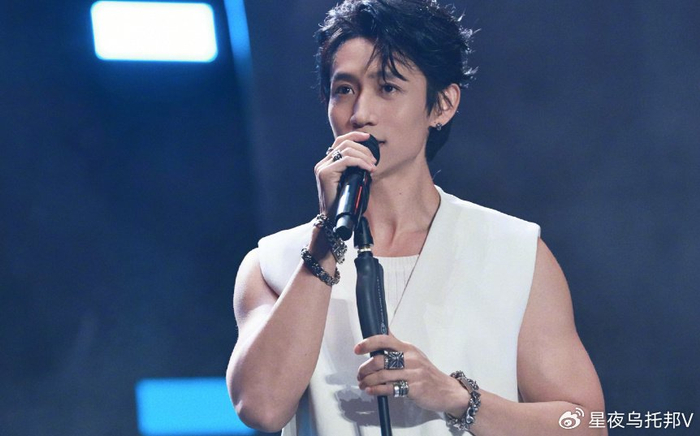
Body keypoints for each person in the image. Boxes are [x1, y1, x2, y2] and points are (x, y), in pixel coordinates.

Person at [226, 0, 606, 434]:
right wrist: (327, 240)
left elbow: (587, 425)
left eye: (387, 87)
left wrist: (457, 398)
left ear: (442, 104)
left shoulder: (513, 251)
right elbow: (261, 408)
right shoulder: (272, 263)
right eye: (343, 89)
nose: (360, 114)